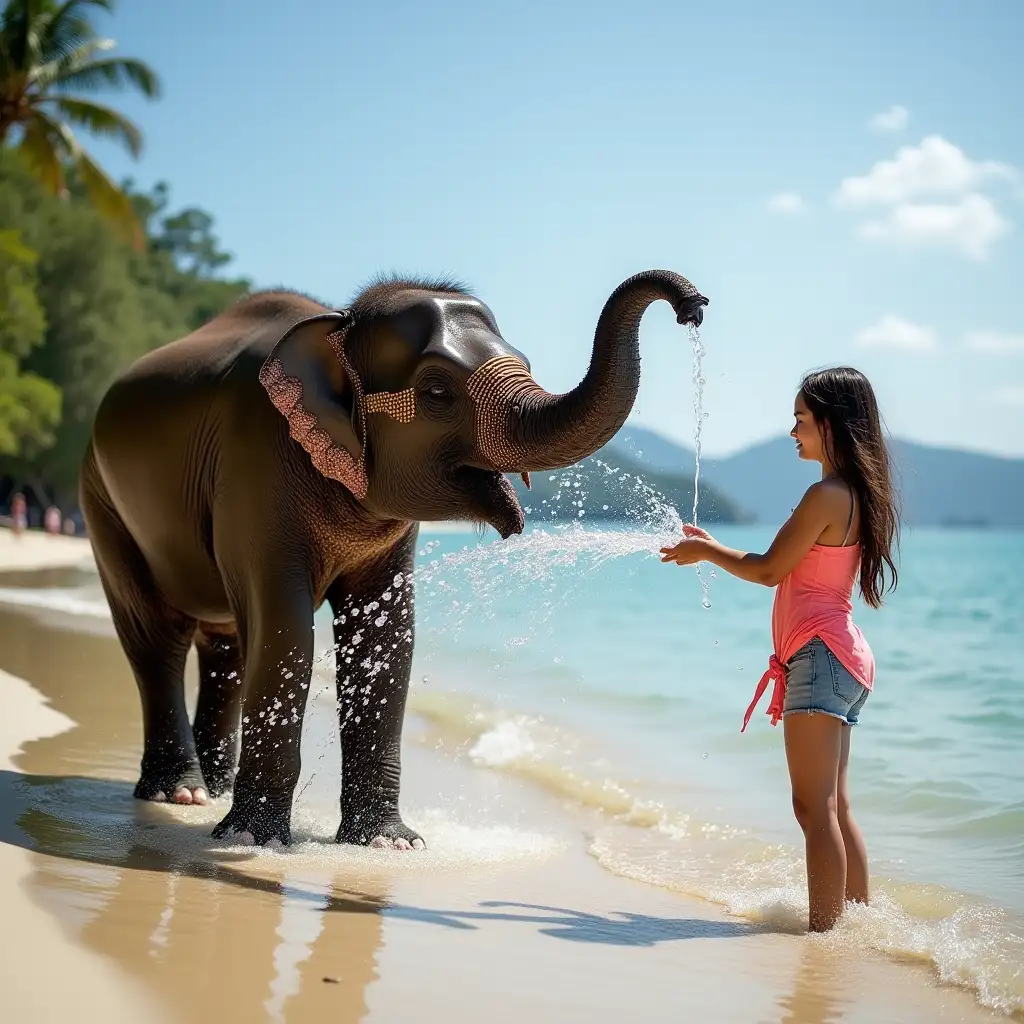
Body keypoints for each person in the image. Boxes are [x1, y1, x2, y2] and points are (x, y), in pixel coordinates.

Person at [659, 366, 900, 932]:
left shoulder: (825, 495)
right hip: (842, 658)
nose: (792, 432)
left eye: (800, 421)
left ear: (831, 425)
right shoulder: (855, 494)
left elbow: (769, 570)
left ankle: (826, 938)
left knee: (813, 810)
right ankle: (858, 930)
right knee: (833, 808)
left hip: (820, 656)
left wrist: (708, 551)